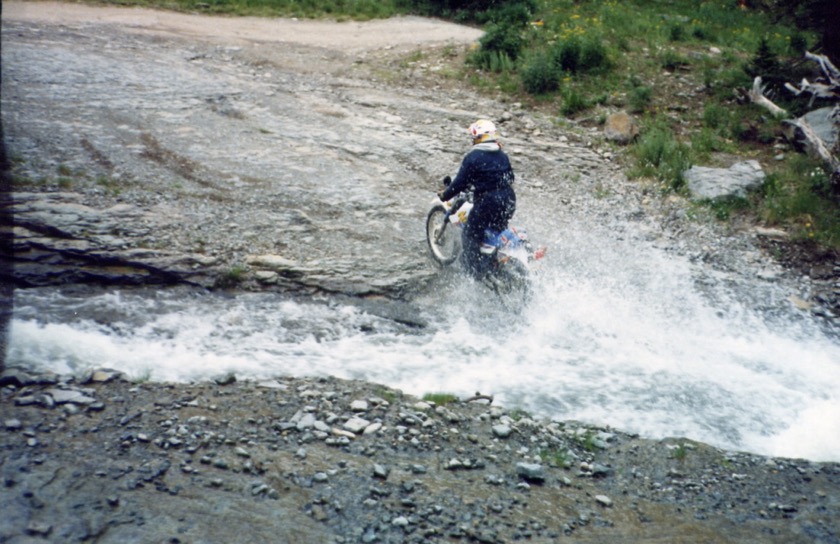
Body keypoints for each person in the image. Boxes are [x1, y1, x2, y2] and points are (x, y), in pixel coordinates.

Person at [438, 119, 516, 279]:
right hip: (508, 200)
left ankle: (474, 272)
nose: (472, 140)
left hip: (487, 202)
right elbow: (510, 177)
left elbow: (460, 183)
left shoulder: (473, 157)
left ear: (479, 137)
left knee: (470, 235)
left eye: (474, 137)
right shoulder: (502, 155)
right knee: (495, 229)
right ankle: (492, 260)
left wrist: (445, 195)